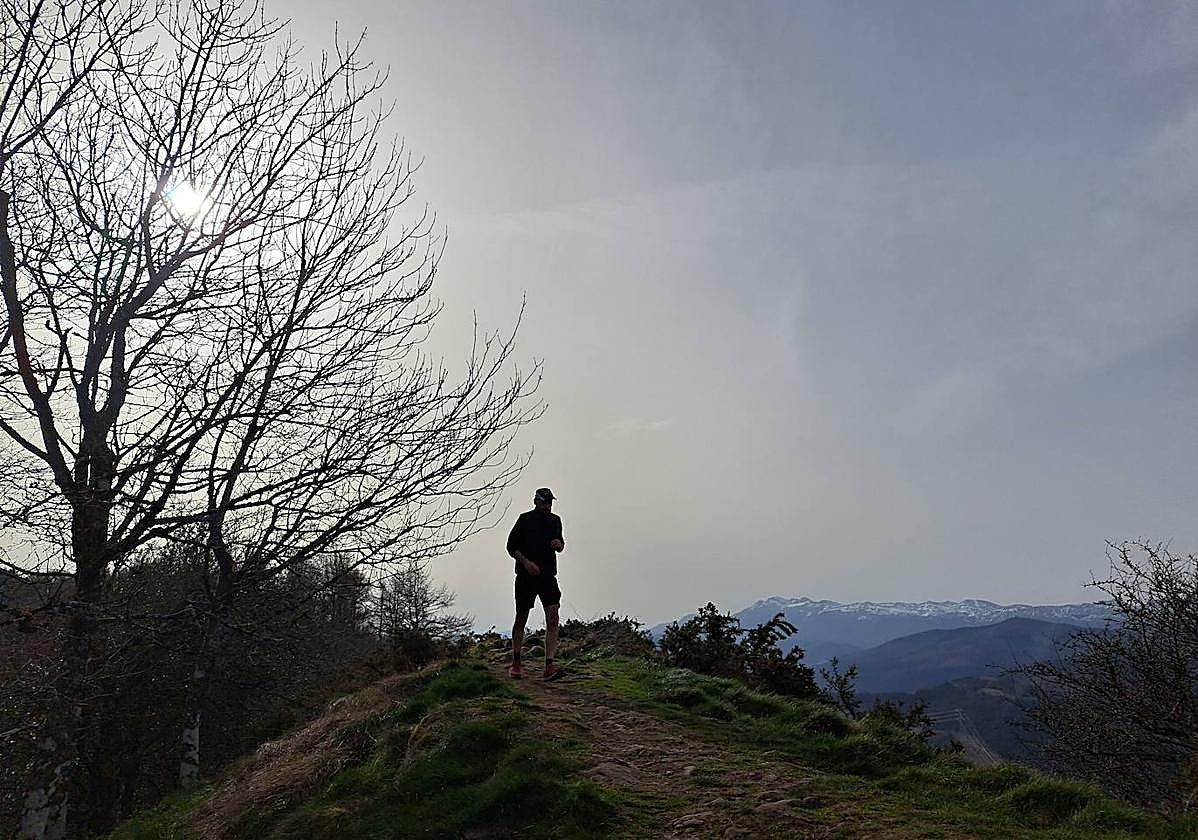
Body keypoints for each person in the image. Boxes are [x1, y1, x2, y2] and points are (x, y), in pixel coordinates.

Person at [506, 487, 566, 679]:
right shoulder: (524, 520)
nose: (547, 506)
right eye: (544, 502)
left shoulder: (555, 521)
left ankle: (549, 665)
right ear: (536, 501)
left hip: (548, 576)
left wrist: (559, 545)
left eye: (550, 502)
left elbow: (560, 543)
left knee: (553, 617)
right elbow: (511, 547)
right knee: (521, 617)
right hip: (526, 577)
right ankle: (516, 662)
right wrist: (526, 563)